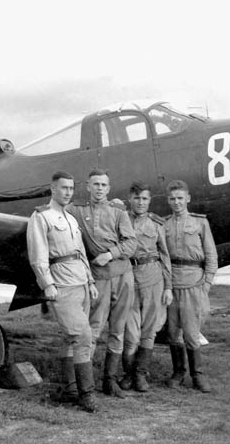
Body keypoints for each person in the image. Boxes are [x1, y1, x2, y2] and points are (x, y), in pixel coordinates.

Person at [26, 171, 99, 413]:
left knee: (71, 339)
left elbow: (80, 253)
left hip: (81, 283)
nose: (68, 192)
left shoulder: (71, 219)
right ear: (52, 189)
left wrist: (90, 282)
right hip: (62, 285)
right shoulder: (41, 217)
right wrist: (47, 284)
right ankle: (87, 394)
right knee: (83, 337)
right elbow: (38, 255)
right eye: (63, 188)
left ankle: (70, 390)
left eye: (71, 188)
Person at [67, 168, 137, 398]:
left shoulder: (118, 211)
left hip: (122, 276)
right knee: (93, 329)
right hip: (99, 278)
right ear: (88, 186)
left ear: (109, 188)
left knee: (118, 329)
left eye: (103, 185)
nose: (99, 189)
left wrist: (109, 254)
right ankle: (84, 385)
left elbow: (131, 244)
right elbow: (57, 212)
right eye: (95, 184)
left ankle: (110, 380)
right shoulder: (77, 210)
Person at [163, 179, 218, 393]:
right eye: (172, 199)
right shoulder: (164, 224)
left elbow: (211, 255)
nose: (176, 203)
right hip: (172, 283)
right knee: (173, 332)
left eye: (180, 198)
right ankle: (178, 372)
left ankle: (198, 375)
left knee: (192, 332)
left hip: (194, 283)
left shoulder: (200, 223)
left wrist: (207, 283)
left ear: (188, 198)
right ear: (168, 201)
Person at [119, 181, 173, 392]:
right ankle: (128, 374)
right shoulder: (121, 220)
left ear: (149, 201)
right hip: (128, 277)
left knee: (149, 331)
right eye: (137, 198)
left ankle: (140, 376)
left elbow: (165, 257)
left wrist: (168, 287)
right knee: (130, 333)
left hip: (153, 278)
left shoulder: (157, 224)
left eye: (144, 199)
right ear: (130, 200)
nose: (140, 203)